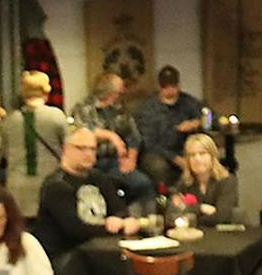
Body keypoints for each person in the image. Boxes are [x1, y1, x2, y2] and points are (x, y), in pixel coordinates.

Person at [29, 127, 132, 275]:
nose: (88, 154)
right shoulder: (56, 185)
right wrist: (109, 226)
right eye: (82, 148)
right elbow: (75, 229)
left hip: (100, 256)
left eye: (93, 149)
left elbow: (120, 208)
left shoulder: (98, 178)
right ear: (66, 149)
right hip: (65, 261)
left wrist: (122, 221)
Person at [70, 71, 156, 205]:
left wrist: (131, 159)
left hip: (114, 162)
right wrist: (111, 136)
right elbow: (82, 131)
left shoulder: (120, 109)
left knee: (143, 184)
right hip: (90, 163)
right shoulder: (82, 108)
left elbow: (134, 136)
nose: (122, 93)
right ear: (109, 92)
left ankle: (142, 221)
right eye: (119, 91)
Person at [134, 65, 205, 193]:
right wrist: (176, 159)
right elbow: (150, 143)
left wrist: (197, 123)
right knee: (159, 167)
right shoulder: (147, 109)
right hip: (157, 153)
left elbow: (211, 118)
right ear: (159, 87)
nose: (170, 90)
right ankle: (165, 199)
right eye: (166, 87)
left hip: (184, 149)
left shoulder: (188, 102)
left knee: (204, 159)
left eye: (174, 86)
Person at [175, 132, 238, 223]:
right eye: (192, 155)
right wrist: (200, 208)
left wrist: (189, 215)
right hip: (192, 233)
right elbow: (172, 213)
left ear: (212, 156)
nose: (197, 159)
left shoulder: (227, 180)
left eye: (202, 153)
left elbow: (222, 217)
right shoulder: (184, 181)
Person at [17, 69, 68, 171]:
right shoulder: (56, 115)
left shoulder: (11, 120)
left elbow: (3, 154)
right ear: (46, 91)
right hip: (50, 180)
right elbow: (68, 146)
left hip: (16, 182)